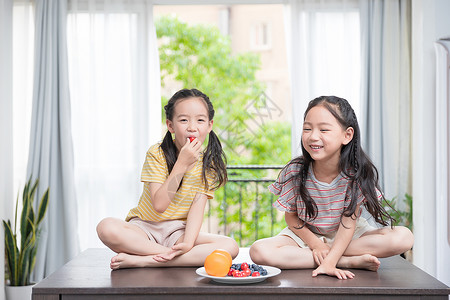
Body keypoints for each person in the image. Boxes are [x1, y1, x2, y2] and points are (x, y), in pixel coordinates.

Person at [249, 96, 414, 280]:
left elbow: (348, 223)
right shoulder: (296, 170)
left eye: (324, 129)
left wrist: (329, 254)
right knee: (258, 251)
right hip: (306, 237)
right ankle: (346, 260)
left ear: (347, 135)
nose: (313, 136)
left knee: (404, 237)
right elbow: (291, 216)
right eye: (307, 129)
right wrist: (316, 245)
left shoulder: (356, 173)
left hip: (349, 235)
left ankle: (333, 256)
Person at [97, 88, 239, 269]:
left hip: (177, 232)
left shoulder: (208, 164)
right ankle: (169, 257)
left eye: (200, 120)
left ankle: (145, 261)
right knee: (106, 227)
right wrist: (182, 164)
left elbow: (197, 207)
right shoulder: (156, 153)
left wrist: (188, 243)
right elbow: (159, 204)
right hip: (144, 229)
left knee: (230, 246)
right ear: (170, 125)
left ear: (209, 125)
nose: (192, 127)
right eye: (183, 120)